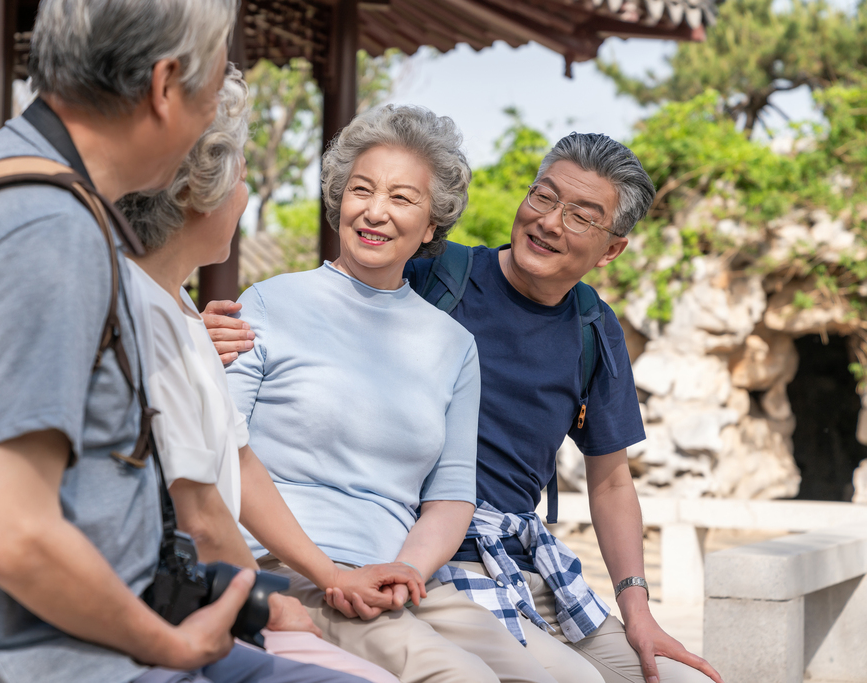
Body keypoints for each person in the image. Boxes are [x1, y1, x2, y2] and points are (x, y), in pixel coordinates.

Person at [0, 2, 361, 682]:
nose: (215, 110)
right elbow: (16, 535)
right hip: (39, 659)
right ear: (163, 85)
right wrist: (168, 644)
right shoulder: (48, 230)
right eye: (214, 85)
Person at [205, 133, 724, 683]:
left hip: (519, 558)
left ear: (612, 248)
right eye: (543, 197)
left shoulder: (589, 328)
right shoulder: (435, 276)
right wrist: (202, 333)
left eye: (580, 217)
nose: (549, 222)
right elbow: (340, 302)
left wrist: (637, 612)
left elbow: (612, 481)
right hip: (444, 559)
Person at [220, 104, 586, 683]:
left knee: (570, 680)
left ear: (433, 224)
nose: (375, 211)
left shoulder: (452, 345)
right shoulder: (267, 304)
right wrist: (330, 573)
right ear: (338, 198)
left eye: (401, 198)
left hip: (401, 579)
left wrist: (404, 571)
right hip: (292, 565)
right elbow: (221, 457)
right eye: (360, 190)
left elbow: (450, 498)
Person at [116, 64, 408, 683]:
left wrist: (327, 577)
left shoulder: (181, 309)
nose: (248, 196)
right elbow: (197, 511)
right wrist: (272, 603)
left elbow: (237, 462)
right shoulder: (153, 319)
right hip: (175, 610)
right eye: (244, 176)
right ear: (200, 192)